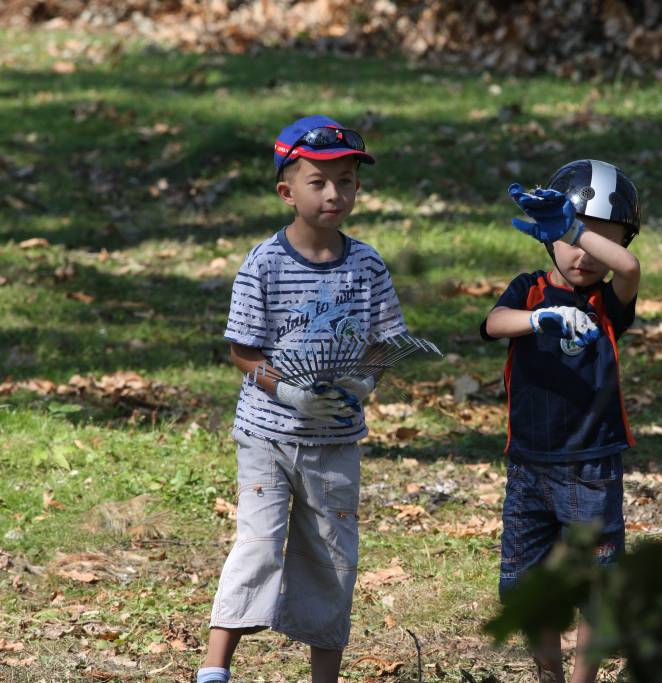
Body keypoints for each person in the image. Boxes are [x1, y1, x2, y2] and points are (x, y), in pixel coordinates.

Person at [197, 115, 407, 683]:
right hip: (266, 436)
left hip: (335, 441)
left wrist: (364, 381)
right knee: (259, 544)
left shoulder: (367, 265)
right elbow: (243, 351)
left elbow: (386, 342)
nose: (334, 193)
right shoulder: (264, 264)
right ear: (287, 192)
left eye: (346, 182)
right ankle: (215, 667)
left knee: (332, 556)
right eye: (318, 182)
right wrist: (287, 390)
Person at [481, 159, 642, 683]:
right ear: (545, 236)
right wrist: (537, 320)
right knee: (529, 585)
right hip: (528, 464)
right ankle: (549, 675)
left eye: (600, 239)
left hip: (592, 467)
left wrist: (574, 229)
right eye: (572, 237)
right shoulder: (528, 289)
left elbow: (629, 268)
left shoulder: (607, 301)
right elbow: (492, 323)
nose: (584, 253)